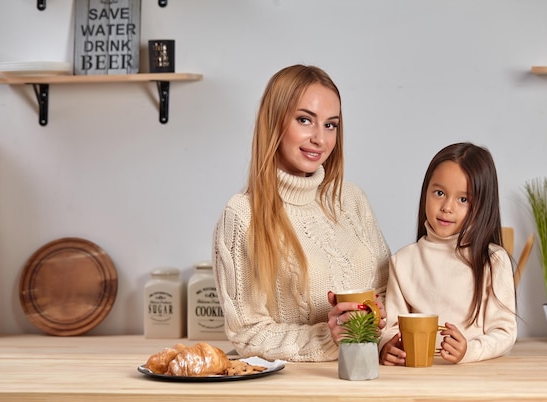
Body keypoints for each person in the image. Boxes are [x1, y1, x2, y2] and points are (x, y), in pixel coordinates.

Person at [213, 64, 390, 362]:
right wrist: (328, 336)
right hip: (294, 387)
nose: (320, 139)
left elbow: (387, 292)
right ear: (274, 122)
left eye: (330, 125)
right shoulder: (242, 215)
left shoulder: (351, 199)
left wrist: (382, 331)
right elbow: (247, 332)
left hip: (369, 375)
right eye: (305, 120)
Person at [380, 142, 517, 365]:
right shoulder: (403, 261)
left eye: (463, 199)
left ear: (482, 206)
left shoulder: (493, 260)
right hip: (417, 377)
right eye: (439, 193)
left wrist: (469, 351)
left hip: (474, 380)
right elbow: (392, 328)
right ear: (426, 192)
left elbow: (504, 333)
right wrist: (386, 347)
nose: (447, 207)